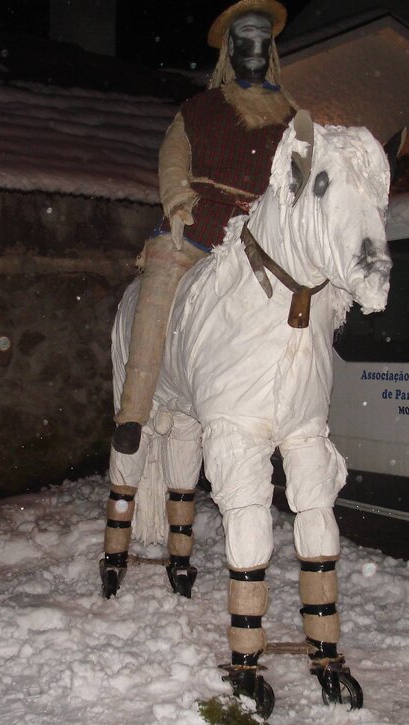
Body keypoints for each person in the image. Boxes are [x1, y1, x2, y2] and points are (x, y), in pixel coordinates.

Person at [111, 0, 296, 455]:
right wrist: (178, 203)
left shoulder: (292, 118)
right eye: (243, 37)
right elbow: (173, 161)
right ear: (229, 49)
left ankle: (294, 405)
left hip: (258, 237)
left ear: (270, 46)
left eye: (261, 36)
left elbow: (299, 181)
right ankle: (134, 410)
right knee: (157, 288)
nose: (252, 45)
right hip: (201, 226)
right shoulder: (199, 109)